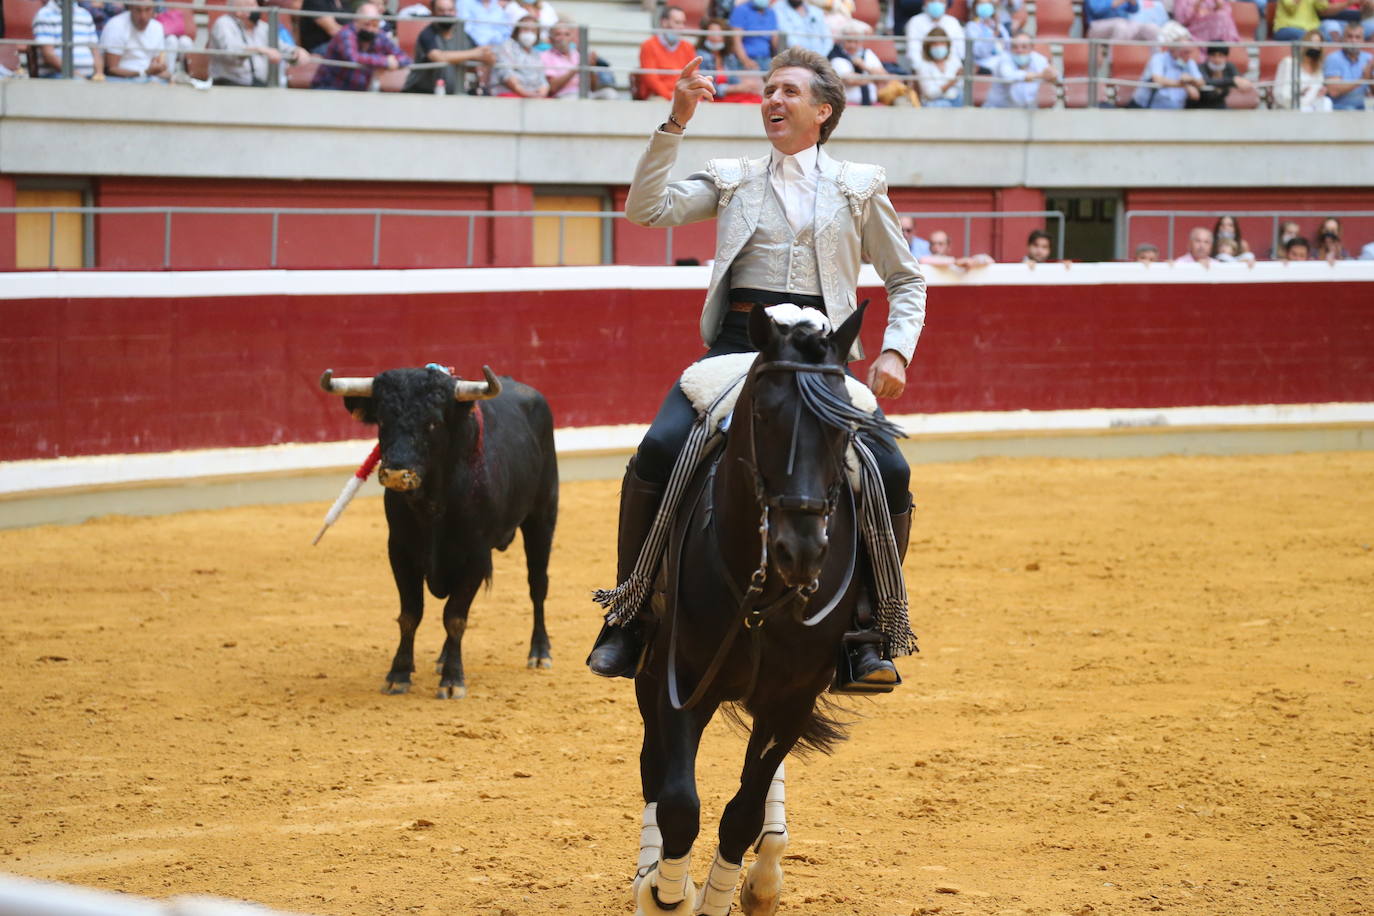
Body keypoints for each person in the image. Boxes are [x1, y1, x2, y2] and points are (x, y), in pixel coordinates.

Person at [588, 48, 925, 691]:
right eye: (768, 90)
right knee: (659, 448)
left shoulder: (860, 186)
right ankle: (631, 612)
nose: (772, 100)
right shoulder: (733, 176)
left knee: (890, 468)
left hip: (824, 360)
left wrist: (896, 348)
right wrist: (676, 121)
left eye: (788, 92)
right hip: (740, 350)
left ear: (822, 112)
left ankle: (868, 629)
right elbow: (646, 210)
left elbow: (906, 280)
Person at [403, 0, 497, 94]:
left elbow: (489, 57)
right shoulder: (427, 34)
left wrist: (486, 55)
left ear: (456, 11)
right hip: (420, 94)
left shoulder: (462, 35)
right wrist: (474, 54)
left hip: (452, 95)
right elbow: (438, 56)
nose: (446, 14)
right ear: (433, 12)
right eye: (441, 11)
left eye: (450, 10)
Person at [311, 3, 411, 90]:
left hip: (357, 92)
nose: (370, 29)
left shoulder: (379, 36)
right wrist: (384, 62)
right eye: (366, 24)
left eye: (375, 25)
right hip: (329, 89)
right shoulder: (345, 34)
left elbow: (405, 59)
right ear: (356, 21)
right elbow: (352, 57)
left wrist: (393, 63)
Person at [209, 0, 294, 86]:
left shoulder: (263, 27)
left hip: (259, 85)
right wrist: (260, 50)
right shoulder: (224, 23)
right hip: (230, 84)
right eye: (250, 5)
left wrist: (295, 52)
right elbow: (231, 51)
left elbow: (282, 47)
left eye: (256, 4)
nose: (257, 8)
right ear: (238, 11)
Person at [1131, 22, 1204, 108]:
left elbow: (1200, 82)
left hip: (1176, 111)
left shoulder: (1189, 61)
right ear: (1172, 48)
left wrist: (1191, 79)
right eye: (1184, 51)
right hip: (1146, 109)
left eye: (1188, 51)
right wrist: (1185, 85)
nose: (1188, 54)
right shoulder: (1159, 58)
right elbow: (1158, 80)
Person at [542, 18, 616, 98]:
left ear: (572, 38)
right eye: (558, 34)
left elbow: (593, 88)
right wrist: (576, 68)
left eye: (567, 34)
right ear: (551, 38)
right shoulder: (545, 56)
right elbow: (553, 88)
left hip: (586, 94)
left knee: (610, 94)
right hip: (564, 96)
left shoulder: (577, 55)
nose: (563, 38)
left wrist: (591, 68)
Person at [101, 3, 174, 81]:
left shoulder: (157, 27)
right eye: (138, 10)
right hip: (122, 80)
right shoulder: (116, 25)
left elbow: (156, 62)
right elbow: (111, 69)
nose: (143, 16)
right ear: (130, 8)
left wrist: (159, 69)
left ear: (153, 9)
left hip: (149, 78)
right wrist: (144, 73)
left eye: (148, 9)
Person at [32, 0, 104, 79]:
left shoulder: (85, 14)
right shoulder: (44, 14)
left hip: (87, 77)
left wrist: (99, 74)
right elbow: (49, 55)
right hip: (57, 76)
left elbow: (95, 50)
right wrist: (78, 76)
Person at [698, 18, 765, 102]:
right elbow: (705, 86)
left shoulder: (729, 57)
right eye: (712, 33)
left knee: (756, 98)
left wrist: (745, 86)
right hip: (712, 97)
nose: (715, 37)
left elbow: (734, 81)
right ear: (705, 36)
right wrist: (734, 88)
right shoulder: (700, 57)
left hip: (727, 95)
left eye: (719, 34)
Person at [983, 31, 1056, 107]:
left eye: (1024, 47)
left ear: (1031, 48)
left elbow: (1052, 73)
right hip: (998, 110)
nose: (1019, 50)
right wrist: (1039, 75)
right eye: (1015, 47)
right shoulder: (1004, 59)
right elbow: (1008, 76)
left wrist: (1052, 74)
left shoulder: (1038, 59)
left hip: (1026, 110)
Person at [638, 6, 697, 99]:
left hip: (683, 95)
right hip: (658, 96)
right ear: (664, 22)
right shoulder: (648, 45)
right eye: (677, 23)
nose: (682, 27)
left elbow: (694, 75)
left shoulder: (688, 47)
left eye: (683, 23)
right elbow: (651, 79)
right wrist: (670, 96)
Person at [828, 22, 890, 105]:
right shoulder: (835, 55)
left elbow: (885, 77)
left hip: (872, 104)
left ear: (861, 41)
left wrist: (865, 66)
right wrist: (875, 79)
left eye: (856, 41)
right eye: (849, 41)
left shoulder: (868, 53)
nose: (852, 45)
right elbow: (850, 80)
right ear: (842, 40)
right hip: (847, 106)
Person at [490, 14, 550, 95]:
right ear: (517, 30)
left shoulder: (536, 53)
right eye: (525, 29)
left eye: (533, 30)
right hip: (509, 93)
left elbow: (542, 80)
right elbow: (506, 75)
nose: (529, 33)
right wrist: (525, 93)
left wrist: (542, 93)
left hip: (533, 96)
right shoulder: (506, 46)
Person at [1275, 30, 1334, 110]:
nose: (1315, 47)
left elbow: (1315, 96)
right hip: (1291, 107)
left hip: (1311, 107)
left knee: (1327, 101)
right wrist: (1299, 94)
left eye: (1318, 44)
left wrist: (1319, 94)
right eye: (1312, 42)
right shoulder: (1289, 63)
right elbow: (1280, 94)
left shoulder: (1318, 70)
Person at [1323, 19, 1373, 110]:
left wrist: (1370, 78)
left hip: (1362, 107)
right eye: (1349, 36)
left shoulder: (1369, 58)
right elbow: (1333, 91)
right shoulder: (1333, 58)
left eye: (1358, 37)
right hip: (1339, 108)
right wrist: (1362, 80)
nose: (1353, 41)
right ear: (1343, 39)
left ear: (1363, 41)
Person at [1188, 44, 1252, 107]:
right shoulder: (1201, 67)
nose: (1217, 59)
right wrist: (1231, 81)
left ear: (1226, 57)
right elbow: (1206, 80)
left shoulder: (1229, 66)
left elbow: (1239, 80)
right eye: (1213, 55)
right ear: (1208, 56)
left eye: (1220, 56)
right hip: (1200, 105)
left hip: (1219, 104)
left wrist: (1241, 82)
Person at [906, 0, 966, 67]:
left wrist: (950, 70)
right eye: (932, 0)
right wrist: (926, 70)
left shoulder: (953, 22)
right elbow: (913, 53)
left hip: (953, 71)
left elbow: (961, 52)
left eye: (941, 1)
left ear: (946, 3)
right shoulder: (915, 21)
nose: (936, 3)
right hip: (924, 72)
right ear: (925, 2)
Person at [915, 27, 963, 106]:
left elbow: (961, 84)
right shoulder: (923, 65)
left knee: (963, 97)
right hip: (934, 103)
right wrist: (951, 83)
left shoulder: (954, 61)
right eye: (935, 44)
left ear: (947, 45)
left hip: (955, 99)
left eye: (942, 43)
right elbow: (930, 94)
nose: (939, 47)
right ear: (928, 47)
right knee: (944, 104)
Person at [728, 0, 781, 67]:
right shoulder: (740, 10)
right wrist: (745, 60)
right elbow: (736, 41)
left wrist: (778, 60)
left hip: (766, 59)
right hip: (744, 61)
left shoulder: (771, 12)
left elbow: (775, 41)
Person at [966, 0, 1012, 73]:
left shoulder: (997, 25)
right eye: (981, 4)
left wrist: (997, 25)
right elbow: (980, 52)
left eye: (987, 3)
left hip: (1003, 61)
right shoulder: (971, 26)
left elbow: (1008, 46)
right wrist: (994, 35)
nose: (985, 6)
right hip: (985, 64)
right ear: (975, 7)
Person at [1083, 0, 1161, 42]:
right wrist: (1118, 1)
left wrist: (1132, 2)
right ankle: (1114, 64)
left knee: (1152, 28)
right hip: (1097, 26)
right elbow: (1096, 10)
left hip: (1124, 25)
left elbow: (1135, 9)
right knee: (1121, 26)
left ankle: (1155, 65)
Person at [1173, 0, 1241, 43]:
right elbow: (1181, 20)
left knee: (1223, 16)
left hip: (1214, 22)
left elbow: (1226, 9)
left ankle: (1224, 45)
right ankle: (1214, 47)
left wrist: (1218, 5)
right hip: (1194, 27)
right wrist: (1198, 5)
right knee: (1220, 17)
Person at [921, 229, 994, 267]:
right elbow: (923, 260)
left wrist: (973, 261)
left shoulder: (955, 261)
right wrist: (957, 262)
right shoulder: (924, 260)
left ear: (948, 247)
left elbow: (989, 260)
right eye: (933, 244)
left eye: (940, 244)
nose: (936, 247)